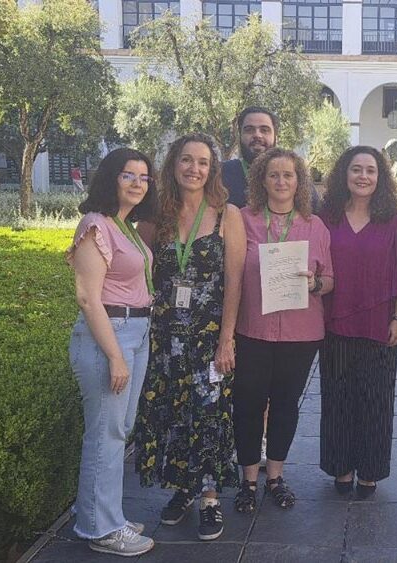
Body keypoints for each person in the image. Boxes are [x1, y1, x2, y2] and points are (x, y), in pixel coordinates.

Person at [134, 133, 246, 542]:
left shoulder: (226, 215)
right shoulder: (155, 216)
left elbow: (234, 280)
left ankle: (210, 498)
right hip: (164, 337)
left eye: (202, 162)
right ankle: (183, 490)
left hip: (208, 336)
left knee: (210, 413)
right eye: (186, 160)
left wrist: (227, 339)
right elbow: (130, 262)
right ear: (173, 164)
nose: (194, 169)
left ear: (212, 169)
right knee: (174, 413)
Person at [67, 147, 158, 556]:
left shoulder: (127, 226)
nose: (138, 183)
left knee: (117, 431)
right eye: (128, 175)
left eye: (143, 177)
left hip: (135, 330)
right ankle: (100, 528)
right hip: (111, 335)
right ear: (110, 178)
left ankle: (101, 513)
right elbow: (88, 298)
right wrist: (116, 356)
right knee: (105, 434)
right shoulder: (95, 225)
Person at [232, 147, 333, 513]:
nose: (281, 181)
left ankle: (274, 477)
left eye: (288, 175)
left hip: (300, 332)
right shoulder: (242, 219)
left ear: (299, 181)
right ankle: (248, 480)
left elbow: (330, 280)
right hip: (252, 328)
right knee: (247, 405)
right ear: (261, 180)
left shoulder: (314, 225)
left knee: (286, 406)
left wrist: (314, 284)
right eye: (273, 175)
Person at [318, 146, 397, 498]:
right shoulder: (326, 217)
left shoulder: (394, 220)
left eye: (370, 170)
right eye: (356, 169)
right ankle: (341, 467)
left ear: (380, 177)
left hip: (379, 324)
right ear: (344, 174)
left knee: (376, 399)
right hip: (335, 324)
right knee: (338, 397)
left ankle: (369, 471)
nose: (363, 176)